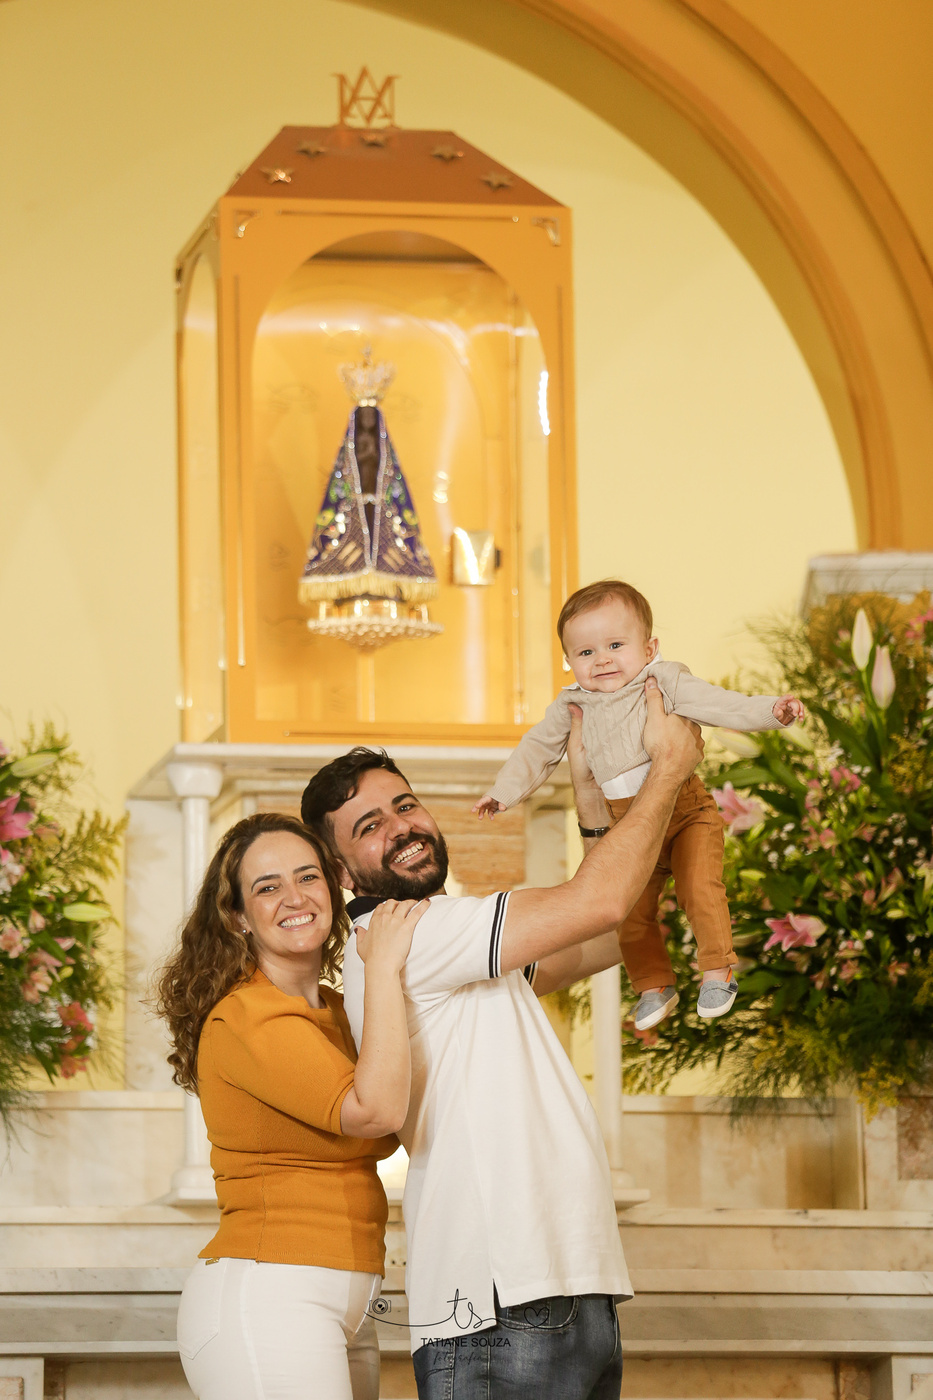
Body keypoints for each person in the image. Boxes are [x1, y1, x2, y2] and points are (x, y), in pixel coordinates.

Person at [300, 685, 700, 1400]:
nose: (401, 827)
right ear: (340, 874)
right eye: (369, 826)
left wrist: (588, 795)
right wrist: (668, 770)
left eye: (404, 805)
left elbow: (604, 935)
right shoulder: (407, 934)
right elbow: (601, 903)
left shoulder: (438, 938)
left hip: (550, 1288)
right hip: (501, 1299)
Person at [155, 811, 426, 1400]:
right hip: (268, 1294)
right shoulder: (247, 1015)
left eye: (307, 877)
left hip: (344, 1295)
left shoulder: (336, 1010)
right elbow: (378, 1114)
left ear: (331, 888)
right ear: (237, 916)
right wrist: (383, 963)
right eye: (267, 887)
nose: (295, 897)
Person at [474, 579, 804, 1029]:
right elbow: (537, 748)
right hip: (628, 828)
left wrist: (771, 712)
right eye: (586, 652)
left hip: (686, 813)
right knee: (628, 910)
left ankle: (717, 971)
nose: (602, 659)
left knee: (699, 889)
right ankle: (653, 985)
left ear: (649, 649)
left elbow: (718, 703)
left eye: (615, 645)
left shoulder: (662, 681)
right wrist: (502, 792)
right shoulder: (573, 704)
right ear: (569, 661)